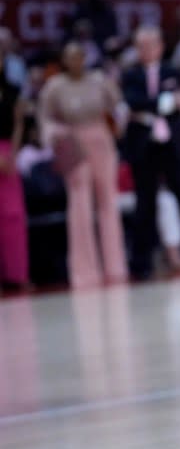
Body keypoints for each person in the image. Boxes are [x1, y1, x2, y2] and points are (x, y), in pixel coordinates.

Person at [120, 25, 180, 280]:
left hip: (172, 146)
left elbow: (177, 101)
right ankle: (141, 266)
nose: (146, 50)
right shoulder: (130, 74)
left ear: (160, 47)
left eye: (151, 44)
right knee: (145, 206)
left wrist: (154, 108)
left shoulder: (172, 71)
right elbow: (134, 101)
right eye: (141, 45)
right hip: (144, 148)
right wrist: (166, 102)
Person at [37, 42, 128, 289]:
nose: (76, 61)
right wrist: (56, 136)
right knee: (79, 205)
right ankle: (84, 272)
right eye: (71, 57)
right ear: (64, 60)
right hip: (73, 145)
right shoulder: (55, 86)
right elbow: (44, 118)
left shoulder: (99, 80)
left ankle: (115, 267)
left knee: (108, 201)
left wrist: (118, 125)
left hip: (101, 141)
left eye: (80, 56)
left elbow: (119, 107)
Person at [0, 39, 29, 294]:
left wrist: (13, 153)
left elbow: (19, 122)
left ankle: (17, 274)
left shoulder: (12, 90)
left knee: (13, 216)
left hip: (9, 152)